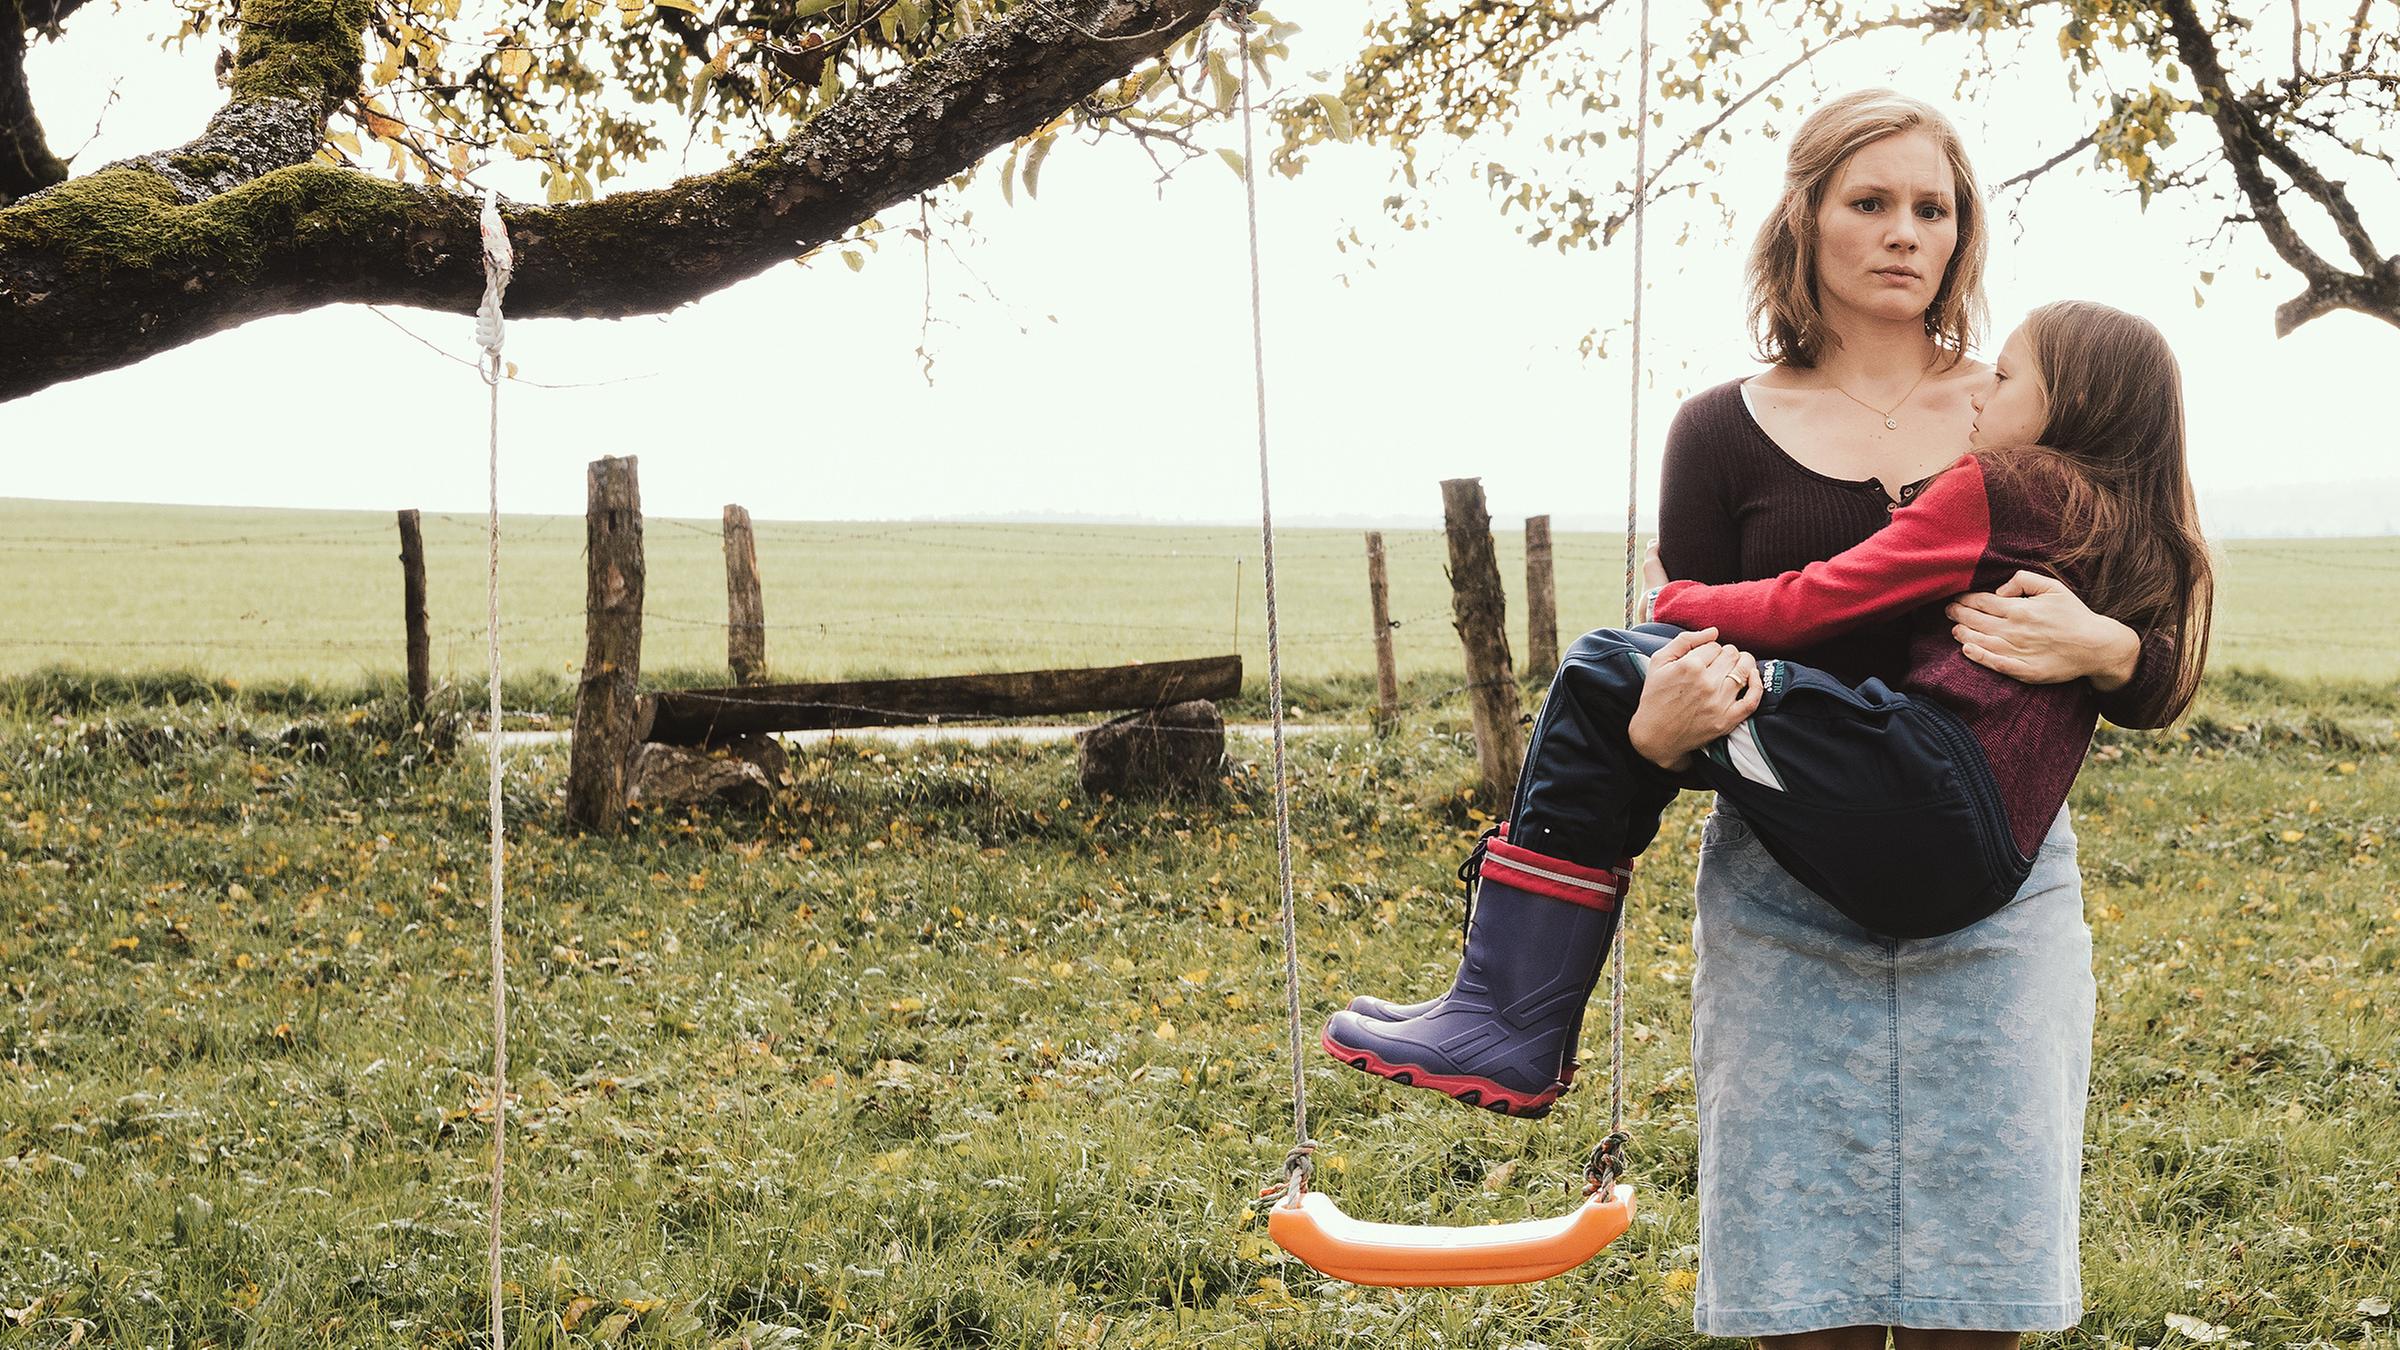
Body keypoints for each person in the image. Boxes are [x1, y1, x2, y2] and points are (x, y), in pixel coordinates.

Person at [1333, 90, 2197, 1345]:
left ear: (1964, 235)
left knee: (1979, 1296)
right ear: (1805, 221)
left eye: (1933, 208)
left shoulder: (2035, 410)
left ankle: (1504, 1007)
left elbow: (2163, 651)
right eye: (1871, 202)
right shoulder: (1721, 431)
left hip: (2000, 907)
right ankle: (1505, 1006)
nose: (1906, 232)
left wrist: (2107, 646)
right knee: (1806, 1298)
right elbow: (1694, 658)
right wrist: (1650, 737)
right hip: (1787, 894)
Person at [1322, 297, 2211, 1111]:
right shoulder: (2125, 524)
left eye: (2009, 379)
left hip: (1915, 781)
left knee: (1603, 669)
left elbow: (1817, 601)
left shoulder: (2007, 486)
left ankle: (1508, 1016)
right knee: (1647, 692)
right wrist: (2116, 646)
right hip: (1978, 866)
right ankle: (1502, 1014)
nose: (1984, 395)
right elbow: (2167, 671)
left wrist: (1675, 603)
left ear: (2076, 405)